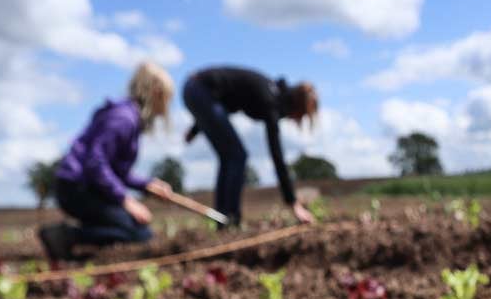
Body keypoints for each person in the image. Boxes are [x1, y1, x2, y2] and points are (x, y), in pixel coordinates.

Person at [38, 62, 175, 261]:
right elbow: (95, 164)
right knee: (139, 235)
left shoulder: (127, 117)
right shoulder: (124, 120)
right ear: (156, 93)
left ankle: (88, 232)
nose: (165, 109)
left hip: (87, 187)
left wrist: (147, 184)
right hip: (77, 189)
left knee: (138, 231)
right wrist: (126, 200)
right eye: (166, 99)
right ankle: (67, 236)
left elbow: (114, 170)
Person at [182, 67, 317, 226]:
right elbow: (277, 154)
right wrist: (293, 203)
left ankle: (223, 219)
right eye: (301, 115)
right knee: (237, 155)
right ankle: (230, 219)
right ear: (297, 107)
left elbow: (224, 98)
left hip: (197, 90)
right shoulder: (271, 100)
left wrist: (195, 129)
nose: (296, 120)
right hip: (199, 90)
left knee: (229, 156)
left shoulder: (271, 92)